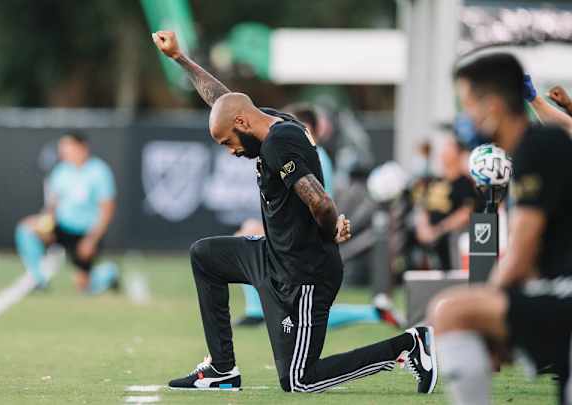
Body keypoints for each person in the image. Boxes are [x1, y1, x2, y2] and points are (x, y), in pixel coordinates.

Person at [152, 30, 437, 394]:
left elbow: (320, 202)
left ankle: (407, 346)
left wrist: (333, 228)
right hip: (271, 256)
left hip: (304, 274)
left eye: (227, 143)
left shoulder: (278, 143)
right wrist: (180, 58)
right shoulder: (265, 119)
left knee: (299, 379)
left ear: (241, 125)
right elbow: (223, 100)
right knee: (205, 256)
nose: (230, 151)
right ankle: (221, 369)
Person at [428, 53, 572, 405]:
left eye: (468, 106)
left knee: (452, 312)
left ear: (492, 106)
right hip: (556, 289)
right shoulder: (535, 148)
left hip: (564, 293)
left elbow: (520, 256)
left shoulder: (539, 149)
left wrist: (490, 316)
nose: (466, 118)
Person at [234, 104, 403, 330]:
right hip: (302, 235)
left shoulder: (308, 154)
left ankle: (257, 311)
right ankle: (374, 313)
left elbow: (319, 204)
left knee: (303, 314)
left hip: (304, 240)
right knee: (302, 313)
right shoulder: (304, 152)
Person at [15, 133, 119, 293]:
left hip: (85, 234)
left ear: (82, 148)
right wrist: (46, 225)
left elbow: (107, 211)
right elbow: (52, 206)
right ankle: (38, 280)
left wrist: (91, 240)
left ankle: (108, 273)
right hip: (62, 227)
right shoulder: (61, 171)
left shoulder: (99, 171)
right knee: (26, 229)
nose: (64, 152)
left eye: (68, 147)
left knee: (84, 287)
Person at [414, 134, 477, 270]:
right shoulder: (433, 181)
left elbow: (466, 212)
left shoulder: (465, 183)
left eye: (449, 147)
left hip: (451, 237)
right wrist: (423, 229)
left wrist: (440, 229)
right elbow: (423, 209)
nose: (444, 151)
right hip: (429, 237)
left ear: (459, 153)